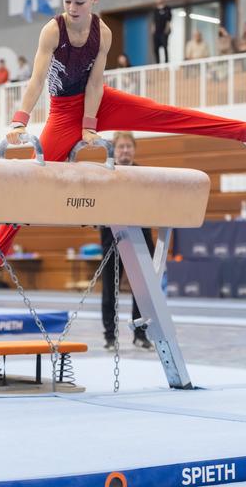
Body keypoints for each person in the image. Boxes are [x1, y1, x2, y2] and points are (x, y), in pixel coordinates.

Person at [0, 0, 246, 288]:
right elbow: (36, 80)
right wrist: (19, 121)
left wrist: (90, 125)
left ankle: (241, 131)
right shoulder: (53, 30)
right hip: (63, 112)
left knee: (163, 113)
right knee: (32, 179)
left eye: (79, 2)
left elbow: (94, 83)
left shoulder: (102, 33)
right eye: (67, 1)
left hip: (99, 101)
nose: (72, 8)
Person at [100, 131, 156, 350]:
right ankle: (110, 336)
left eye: (128, 147)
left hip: (141, 237)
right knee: (109, 290)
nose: (125, 151)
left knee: (142, 289)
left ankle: (140, 334)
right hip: (111, 236)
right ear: (114, 149)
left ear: (134, 149)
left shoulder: (145, 175)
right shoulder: (106, 172)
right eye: (121, 147)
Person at [152, 0, 172, 64]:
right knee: (155, 48)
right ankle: (158, 63)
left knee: (165, 47)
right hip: (156, 32)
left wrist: (166, 30)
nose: (158, 0)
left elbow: (168, 20)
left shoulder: (167, 9)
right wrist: (153, 30)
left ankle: (166, 62)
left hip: (164, 31)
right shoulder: (155, 10)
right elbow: (153, 21)